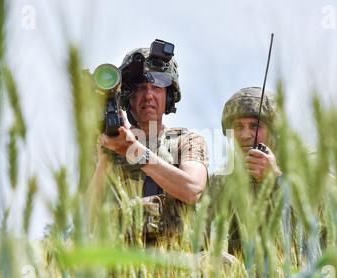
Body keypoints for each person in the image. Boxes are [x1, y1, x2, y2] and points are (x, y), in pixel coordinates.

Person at [88, 41, 208, 247]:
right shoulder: (106, 145)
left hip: (176, 265)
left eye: (157, 87)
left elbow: (192, 190)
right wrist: (104, 162)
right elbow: (85, 220)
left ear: (168, 96)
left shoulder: (187, 140)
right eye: (141, 88)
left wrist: (134, 151)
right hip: (121, 266)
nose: (149, 95)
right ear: (127, 97)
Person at [209, 86, 281, 255]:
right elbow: (197, 235)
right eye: (238, 127)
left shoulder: (302, 164)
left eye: (255, 126)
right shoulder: (220, 181)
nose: (245, 134)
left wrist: (276, 178)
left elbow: (328, 208)